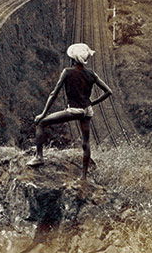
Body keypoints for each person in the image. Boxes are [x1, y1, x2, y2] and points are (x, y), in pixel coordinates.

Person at [28, 42, 113, 179]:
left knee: (42, 123)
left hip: (74, 110)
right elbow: (108, 91)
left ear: (73, 59)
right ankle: (84, 176)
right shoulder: (91, 74)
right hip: (87, 111)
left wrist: (43, 114)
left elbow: (53, 94)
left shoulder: (67, 72)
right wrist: (92, 102)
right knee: (86, 143)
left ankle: (39, 157)